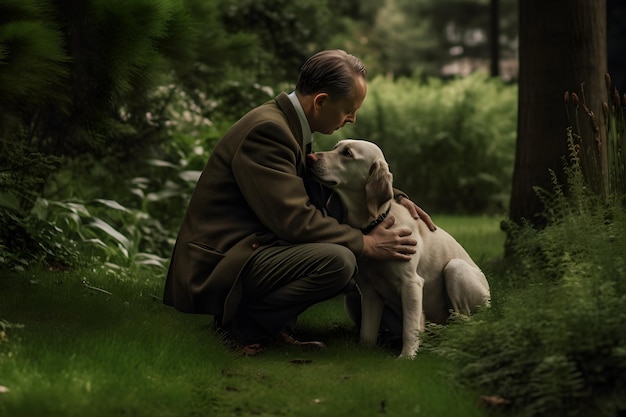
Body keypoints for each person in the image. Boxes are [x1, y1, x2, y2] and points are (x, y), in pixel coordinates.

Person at [163, 49, 435, 355]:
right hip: (220, 263)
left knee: (339, 236)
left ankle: (277, 324)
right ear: (320, 101)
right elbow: (294, 220)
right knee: (340, 261)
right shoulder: (269, 131)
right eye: (348, 109)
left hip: (252, 247)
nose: (352, 118)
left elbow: (322, 181)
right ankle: (242, 327)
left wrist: (390, 194)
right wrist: (366, 244)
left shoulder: (287, 125)